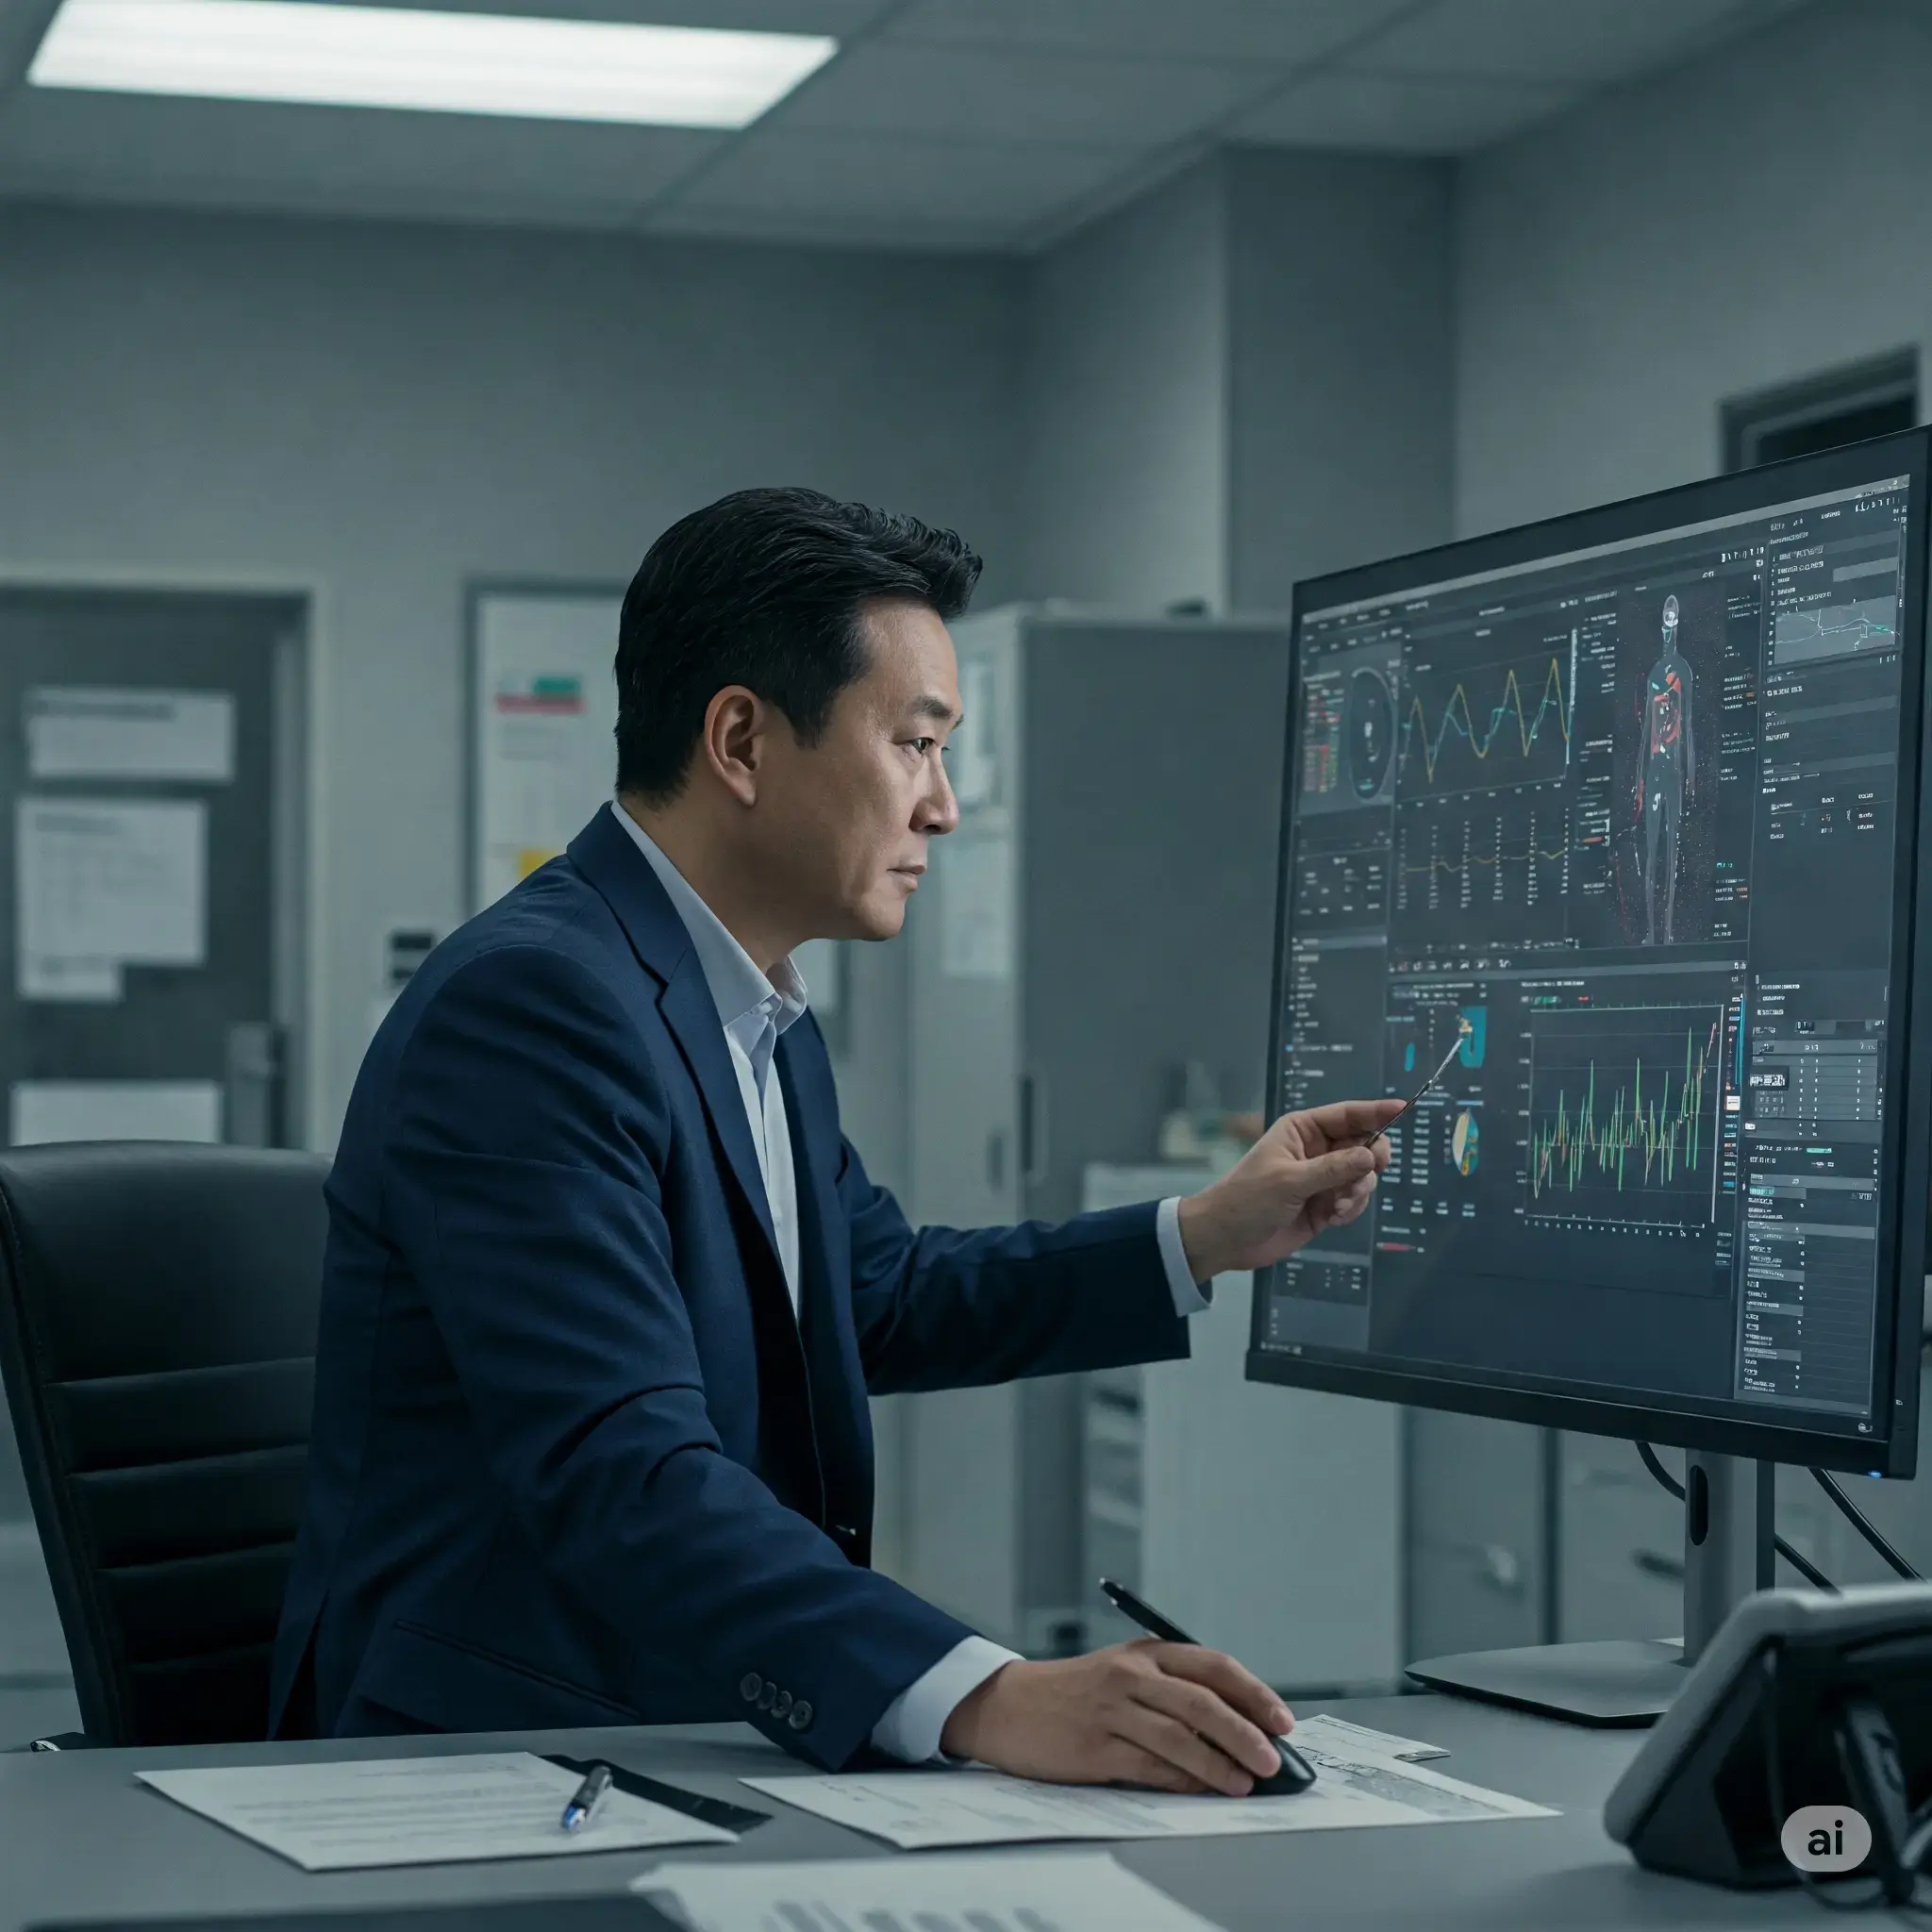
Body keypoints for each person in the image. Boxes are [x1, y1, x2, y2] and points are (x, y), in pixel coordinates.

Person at [270, 488, 1399, 1796]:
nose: (943, 807)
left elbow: (875, 1294)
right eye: (916, 744)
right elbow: (618, 1467)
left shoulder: (752, 1006)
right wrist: (990, 1693)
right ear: (742, 741)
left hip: (677, 1718)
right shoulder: (534, 1007)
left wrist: (1201, 1234)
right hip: (498, 1754)